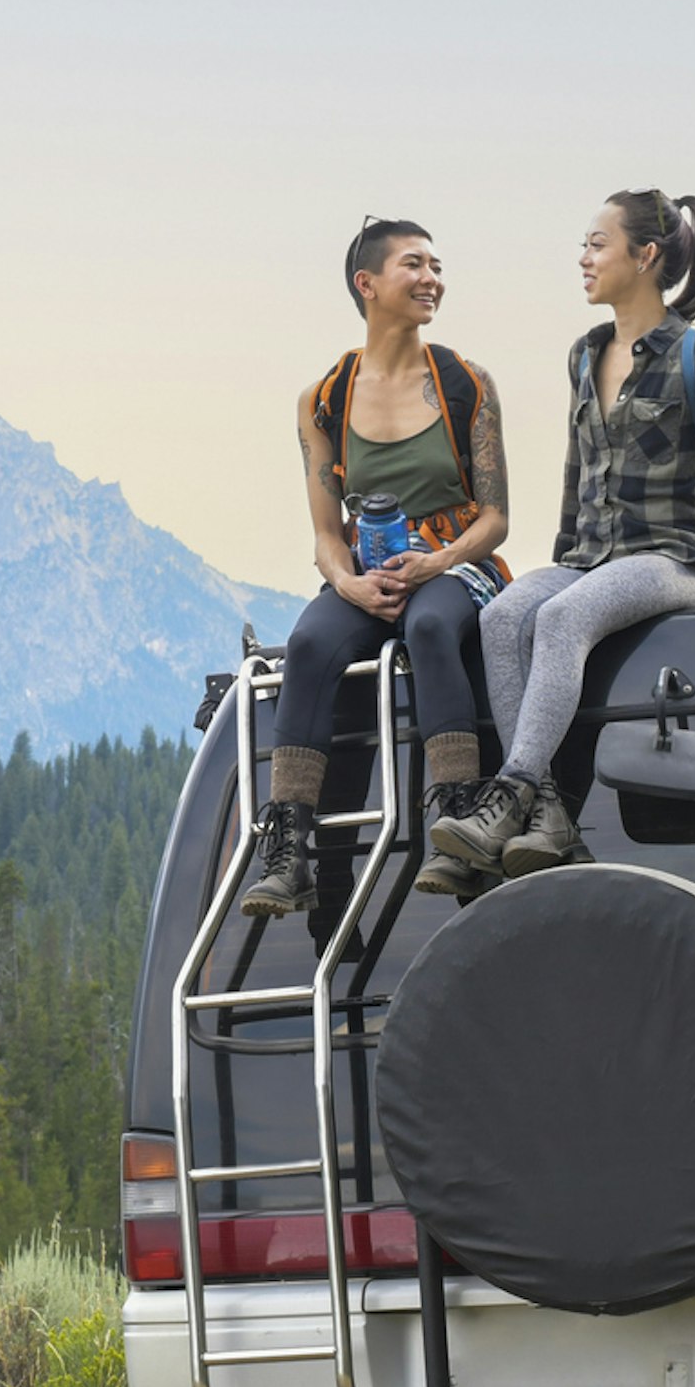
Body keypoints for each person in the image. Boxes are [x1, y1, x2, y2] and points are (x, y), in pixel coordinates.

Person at [430, 189, 695, 882]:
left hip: (675, 564)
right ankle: (547, 817)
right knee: (507, 613)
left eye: (598, 244)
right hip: (590, 561)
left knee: (565, 616)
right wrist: (560, 561)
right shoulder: (584, 355)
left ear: (647, 255)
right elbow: (578, 476)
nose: (583, 257)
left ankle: (508, 792)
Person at [237, 219, 512, 919]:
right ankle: (288, 850)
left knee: (430, 631)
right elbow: (327, 536)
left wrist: (437, 563)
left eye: (436, 266)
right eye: (413, 265)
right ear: (368, 285)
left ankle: (456, 821)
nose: (432, 279)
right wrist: (348, 582)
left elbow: (495, 518)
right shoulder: (323, 399)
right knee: (307, 643)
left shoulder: (465, 385)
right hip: (365, 574)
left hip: (455, 565)